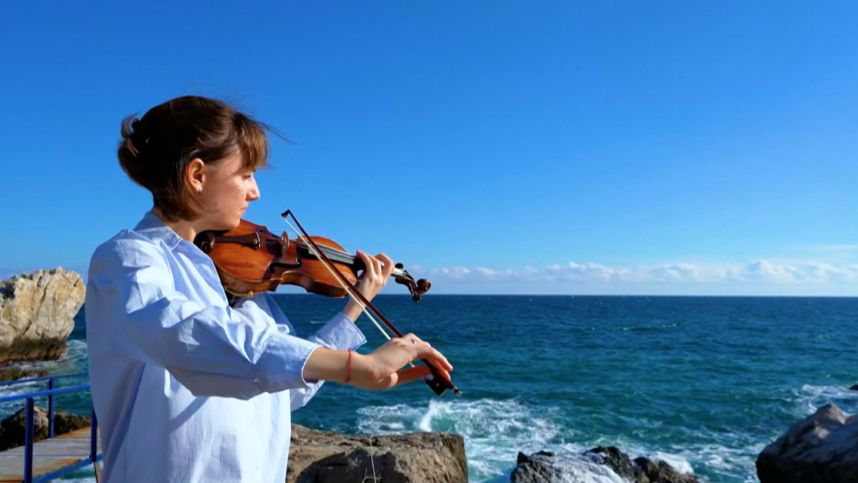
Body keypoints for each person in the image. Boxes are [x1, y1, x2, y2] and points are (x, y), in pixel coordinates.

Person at [85, 95, 453, 482]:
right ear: (197, 175)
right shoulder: (127, 260)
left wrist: (355, 307)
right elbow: (186, 334)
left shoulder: (242, 285)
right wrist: (353, 366)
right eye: (245, 174)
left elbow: (279, 385)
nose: (256, 191)